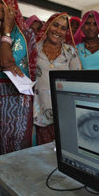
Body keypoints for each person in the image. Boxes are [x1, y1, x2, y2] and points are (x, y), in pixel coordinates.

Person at [0, 0, 37, 155]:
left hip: (17, 96)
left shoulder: (25, 33)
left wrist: (7, 30)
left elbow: (6, 62)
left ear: (11, 6)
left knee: (17, 144)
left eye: (1, 3)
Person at [34, 12, 81, 144]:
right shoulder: (35, 48)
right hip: (40, 113)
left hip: (64, 114)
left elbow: (77, 82)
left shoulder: (70, 52)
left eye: (63, 28)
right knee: (43, 155)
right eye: (55, 25)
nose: (58, 31)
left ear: (67, 32)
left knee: (63, 151)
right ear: (48, 26)